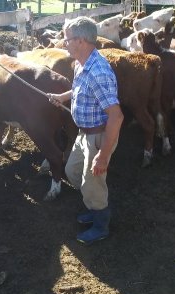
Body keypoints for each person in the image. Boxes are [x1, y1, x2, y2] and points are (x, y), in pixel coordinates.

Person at [48, 16, 123, 245]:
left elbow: (117, 116)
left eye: (67, 39)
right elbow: (78, 88)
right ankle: (94, 204)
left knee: (93, 182)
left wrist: (102, 155)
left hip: (98, 136)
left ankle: (101, 223)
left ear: (80, 41)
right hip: (85, 133)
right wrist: (62, 97)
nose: (64, 42)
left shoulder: (98, 71)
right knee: (72, 171)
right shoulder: (82, 63)